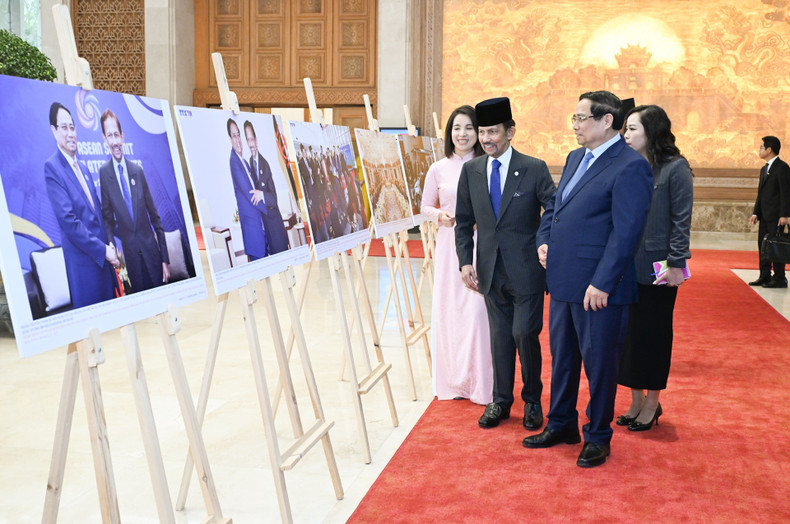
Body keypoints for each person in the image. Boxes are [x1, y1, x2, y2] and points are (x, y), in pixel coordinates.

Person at [524, 91, 653, 468]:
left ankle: (598, 435)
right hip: (562, 280)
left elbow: (627, 233)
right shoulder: (575, 157)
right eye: (574, 118)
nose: (575, 125)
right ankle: (560, 423)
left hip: (599, 289)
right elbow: (556, 208)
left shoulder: (630, 165)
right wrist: (544, 241)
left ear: (607, 120)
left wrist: (603, 282)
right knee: (562, 359)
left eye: (581, 118)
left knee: (600, 365)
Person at [455, 97, 556, 428]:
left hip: (527, 270)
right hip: (489, 271)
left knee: (524, 334)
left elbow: (554, 208)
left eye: (493, 132)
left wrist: (544, 241)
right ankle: (500, 400)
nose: (486, 139)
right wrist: (464, 261)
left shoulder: (533, 168)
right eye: (482, 132)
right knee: (499, 338)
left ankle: (532, 401)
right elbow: (464, 219)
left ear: (510, 131)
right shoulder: (470, 170)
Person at [617, 105, 693, 431]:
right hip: (624, 266)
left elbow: (681, 220)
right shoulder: (627, 165)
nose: (625, 135)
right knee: (628, 336)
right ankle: (635, 399)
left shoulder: (675, 168)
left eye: (632, 128)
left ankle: (652, 402)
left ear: (651, 131)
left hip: (659, 265)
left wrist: (676, 264)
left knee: (655, 334)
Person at [420, 105, 492, 405]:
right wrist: (440, 215)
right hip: (450, 246)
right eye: (456, 128)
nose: (462, 134)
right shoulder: (438, 167)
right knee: (449, 312)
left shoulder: (488, 164)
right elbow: (424, 206)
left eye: (469, 128)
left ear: (478, 133)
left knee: (478, 314)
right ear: (449, 133)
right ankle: (452, 382)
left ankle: (481, 383)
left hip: (482, 245)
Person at [44, 102, 119, 308]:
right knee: (90, 333)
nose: (70, 133)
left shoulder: (83, 168)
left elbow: (99, 215)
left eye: (72, 127)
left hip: (103, 264)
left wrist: (109, 244)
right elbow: (69, 222)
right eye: (64, 128)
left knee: (110, 327)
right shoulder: (52, 168)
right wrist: (103, 250)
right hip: (84, 267)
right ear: (54, 131)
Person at [99, 109, 170, 293]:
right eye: (109, 136)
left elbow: (155, 218)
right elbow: (107, 219)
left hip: (153, 258)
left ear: (122, 137)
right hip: (131, 263)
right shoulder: (104, 174)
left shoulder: (137, 171)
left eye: (116, 135)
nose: (114, 141)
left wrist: (165, 259)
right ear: (104, 139)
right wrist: (112, 246)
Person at [748, 136, 790, 288]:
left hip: (777, 217)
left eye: (761, 147)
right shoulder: (764, 169)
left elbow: (786, 193)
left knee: (776, 246)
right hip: (764, 216)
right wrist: (755, 213)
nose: (759, 150)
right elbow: (761, 194)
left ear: (769, 149)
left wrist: (785, 215)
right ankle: (764, 276)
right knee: (764, 246)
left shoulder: (782, 168)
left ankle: (780, 278)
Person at [244, 120, 289, 255]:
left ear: (256, 140)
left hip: (274, 225)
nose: (250, 143)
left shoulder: (265, 164)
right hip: (263, 226)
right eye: (248, 140)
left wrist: (261, 194)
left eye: (252, 139)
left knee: (282, 261)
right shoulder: (250, 163)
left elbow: (273, 199)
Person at [227, 118, 267, 261]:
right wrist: (269, 209)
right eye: (234, 135)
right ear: (230, 139)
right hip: (253, 230)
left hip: (259, 226)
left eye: (238, 135)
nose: (238, 139)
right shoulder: (234, 163)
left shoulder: (244, 161)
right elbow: (251, 195)